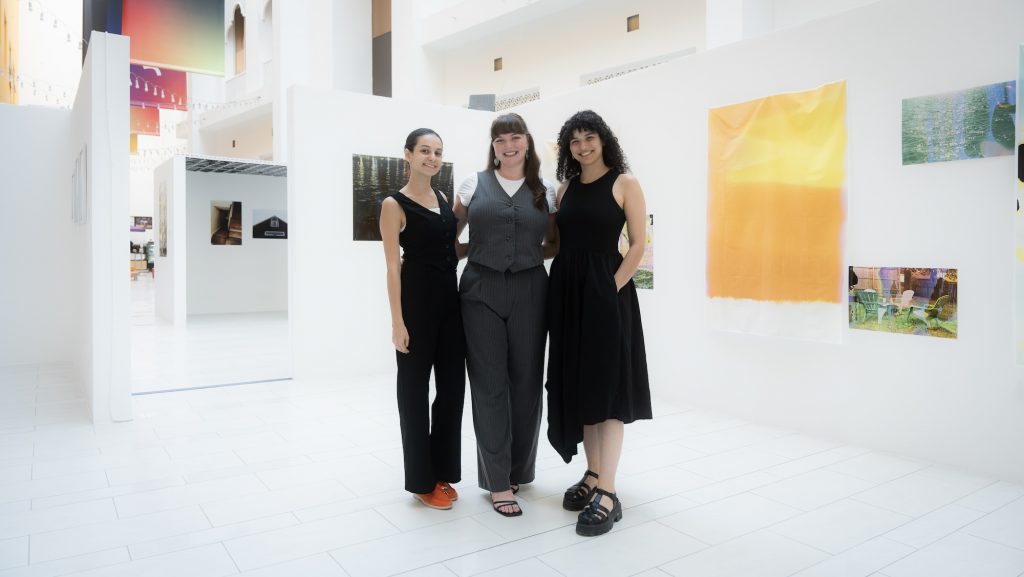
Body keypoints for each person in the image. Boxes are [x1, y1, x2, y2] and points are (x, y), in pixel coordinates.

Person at [546, 110, 652, 537]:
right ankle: (592, 474)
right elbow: (556, 243)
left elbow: (640, 242)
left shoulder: (625, 183)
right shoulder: (566, 187)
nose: (583, 146)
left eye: (590, 138)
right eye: (575, 141)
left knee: (607, 389)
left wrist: (611, 288)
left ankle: (608, 491)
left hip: (607, 295)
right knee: (581, 384)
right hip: (568, 295)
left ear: (603, 140)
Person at [453, 113, 558, 517]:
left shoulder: (544, 190)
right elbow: (453, 237)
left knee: (527, 383)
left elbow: (553, 243)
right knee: (488, 384)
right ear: (493, 145)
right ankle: (497, 481)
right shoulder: (471, 184)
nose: (508, 145)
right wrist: (474, 254)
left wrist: (525, 259)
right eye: (500, 139)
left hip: (531, 290)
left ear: (527, 142)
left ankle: (518, 470)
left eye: (515, 137)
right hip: (480, 291)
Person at [380, 128, 466, 510]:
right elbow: (392, 268)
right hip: (416, 306)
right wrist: (398, 322)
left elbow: (450, 251)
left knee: (451, 390)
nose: (432, 157)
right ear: (408, 155)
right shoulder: (393, 204)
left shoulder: (444, 197)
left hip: (451, 304)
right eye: (425, 151)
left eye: (438, 152)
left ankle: (442, 469)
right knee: (413, 395)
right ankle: (420, 480)